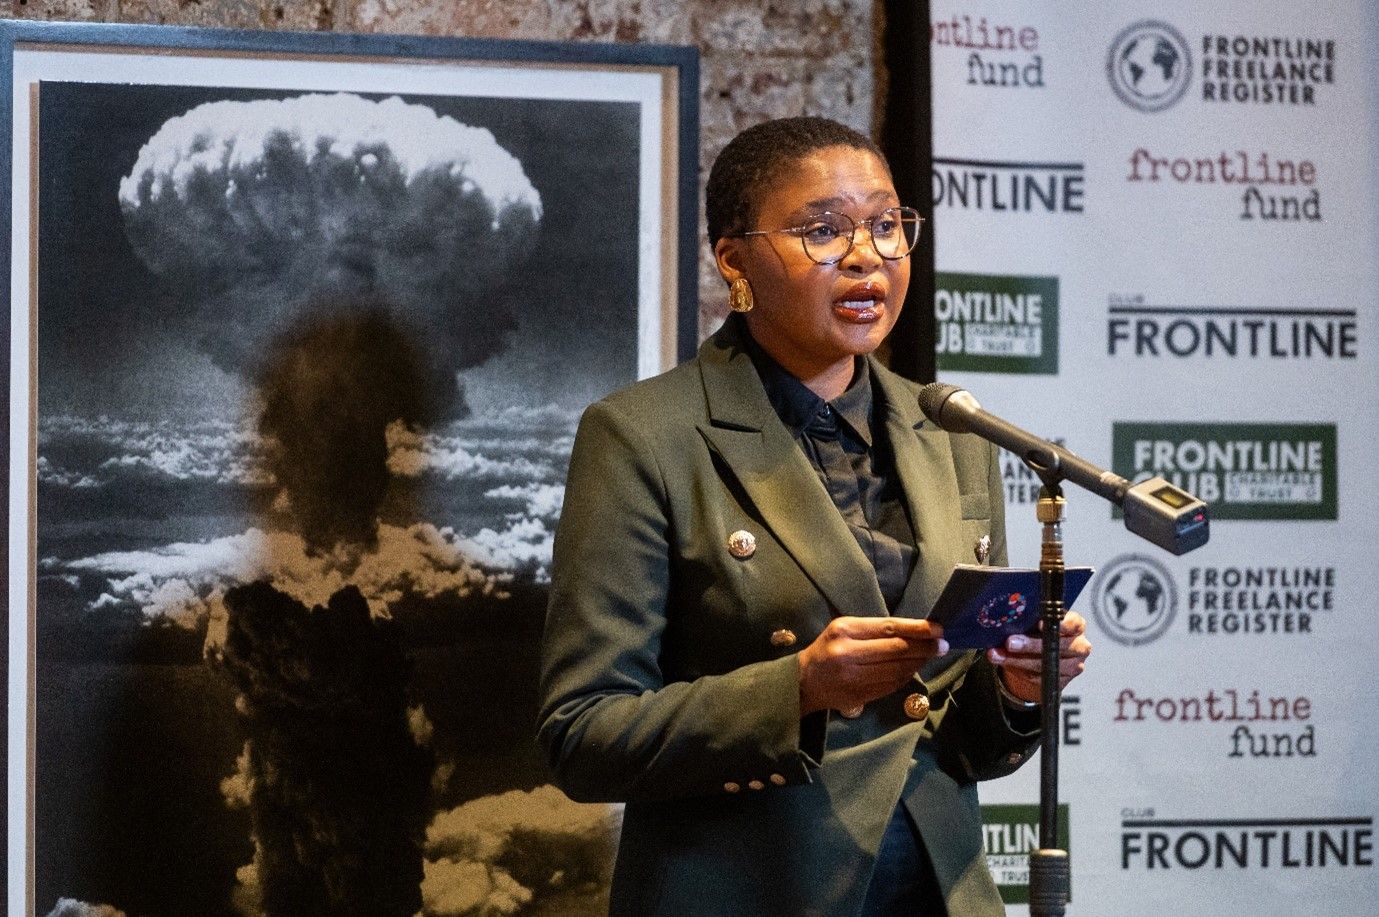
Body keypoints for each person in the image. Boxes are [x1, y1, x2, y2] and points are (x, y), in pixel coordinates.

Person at [537, 116, 1092, 916]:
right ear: (734, 261)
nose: (866, 255)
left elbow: (952, 738)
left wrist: (1012, 686)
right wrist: (793, 688)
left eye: (886, 225)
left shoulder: (953, 430)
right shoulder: (642, 435)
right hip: (752, 891)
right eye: (823, 230)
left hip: (938, 891)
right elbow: (581, 735)